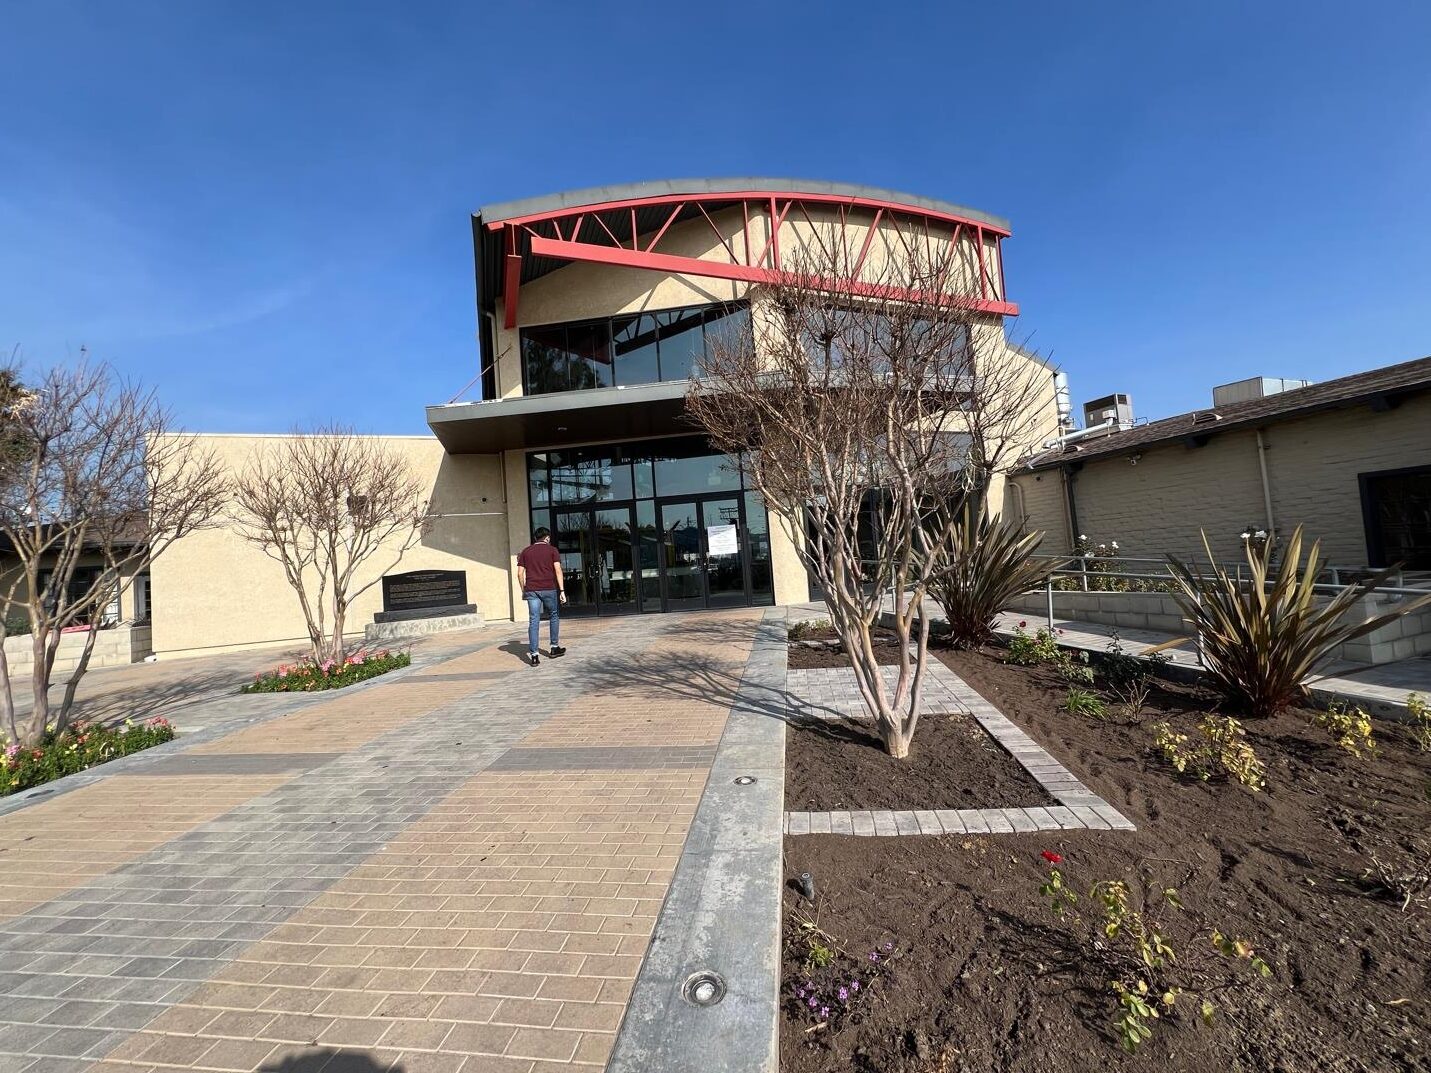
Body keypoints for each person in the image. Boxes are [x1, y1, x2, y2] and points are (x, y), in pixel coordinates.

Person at [516, 527, 566, 666]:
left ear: (535, 538)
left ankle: (534, 655)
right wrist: (562, 590)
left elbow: (520, 573)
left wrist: (523, 590)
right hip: (549, 588)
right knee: (554, 615)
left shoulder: (526, 551)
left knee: (534, 620)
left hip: (532, 590)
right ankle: (554, 648)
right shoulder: (552, 550)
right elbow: (558, 570)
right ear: (547, 538)